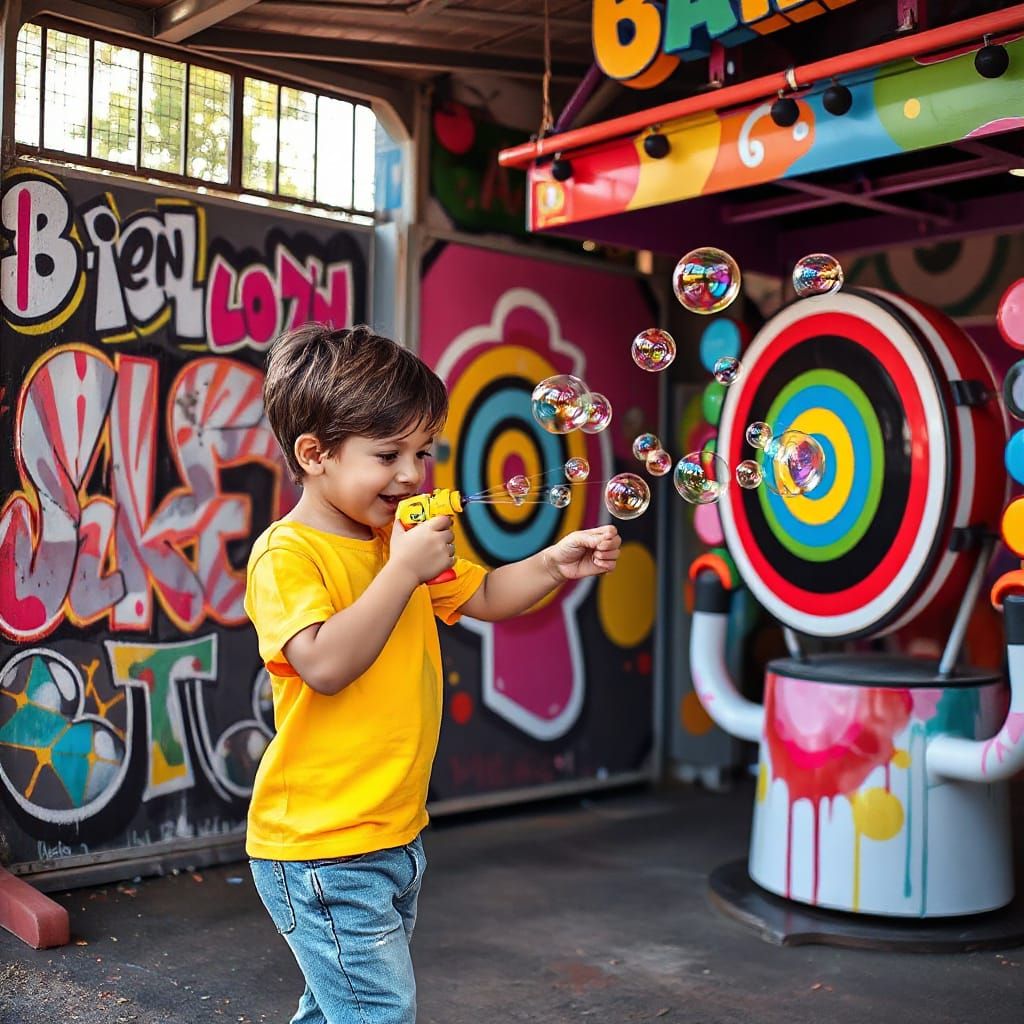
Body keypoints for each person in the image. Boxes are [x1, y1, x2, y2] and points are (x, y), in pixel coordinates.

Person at [245, 323, 621, 1024]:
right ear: (314, 454)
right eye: (388, 454)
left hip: (390, 835)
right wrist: (401, 572)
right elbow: (324, 664)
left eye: (423, 452)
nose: (413, 475)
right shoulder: (287, 554)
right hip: (324, 849)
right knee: (377, 1013)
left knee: (338, 1012)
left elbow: (482, 597)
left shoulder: (400, 542)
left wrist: (551, 563)